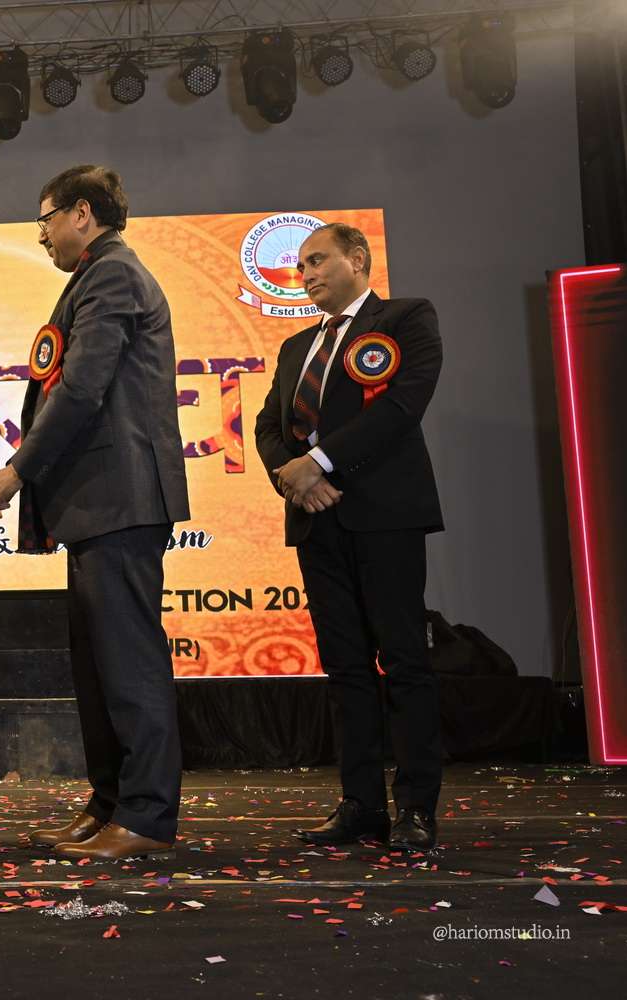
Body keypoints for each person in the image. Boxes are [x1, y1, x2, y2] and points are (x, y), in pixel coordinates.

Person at [0, 165, 189, 861]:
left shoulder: (113, 274)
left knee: (129, 664)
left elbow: (82, 388)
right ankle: (110, 804)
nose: (40, 235)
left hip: (121, 500)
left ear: (82, 213)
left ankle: (147, 815)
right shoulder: (95, 276)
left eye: (45, 219)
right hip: (99, 505)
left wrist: (18, 469)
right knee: (100, 669)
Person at [252, 222, 445, 852]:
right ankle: (361, 804)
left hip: (385, 515)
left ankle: (416, 807)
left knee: (405, 661)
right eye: (300, 267)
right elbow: (267, 426)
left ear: (357, 259)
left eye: (317, 260)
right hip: (317, 520)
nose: (305, 274)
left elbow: (401, 407)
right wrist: (296, 479)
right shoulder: (295, 346)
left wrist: (320, 463)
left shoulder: (406, 318)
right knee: (344, 667)